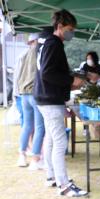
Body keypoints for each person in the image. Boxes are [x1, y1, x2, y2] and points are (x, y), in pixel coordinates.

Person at [34, 9, 97, 197]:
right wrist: (71, 82)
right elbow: (48, 73)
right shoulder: (53, 44)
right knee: (60, 141)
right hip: (49, 100)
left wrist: (75, 78)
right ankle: (64, 185)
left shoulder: (49, 44)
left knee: (52, 139)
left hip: (46, 99)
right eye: (70, 29)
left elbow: (53, 71)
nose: (72, 33)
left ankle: (51, 176)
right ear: (60, 26)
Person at [17, 33, 46, 169]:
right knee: (40, 127)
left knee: (27, 126)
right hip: (35, 93)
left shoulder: (23, 55)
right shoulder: (39, 52)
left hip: (23, 94)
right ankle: (35, 160)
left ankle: (22, 156)